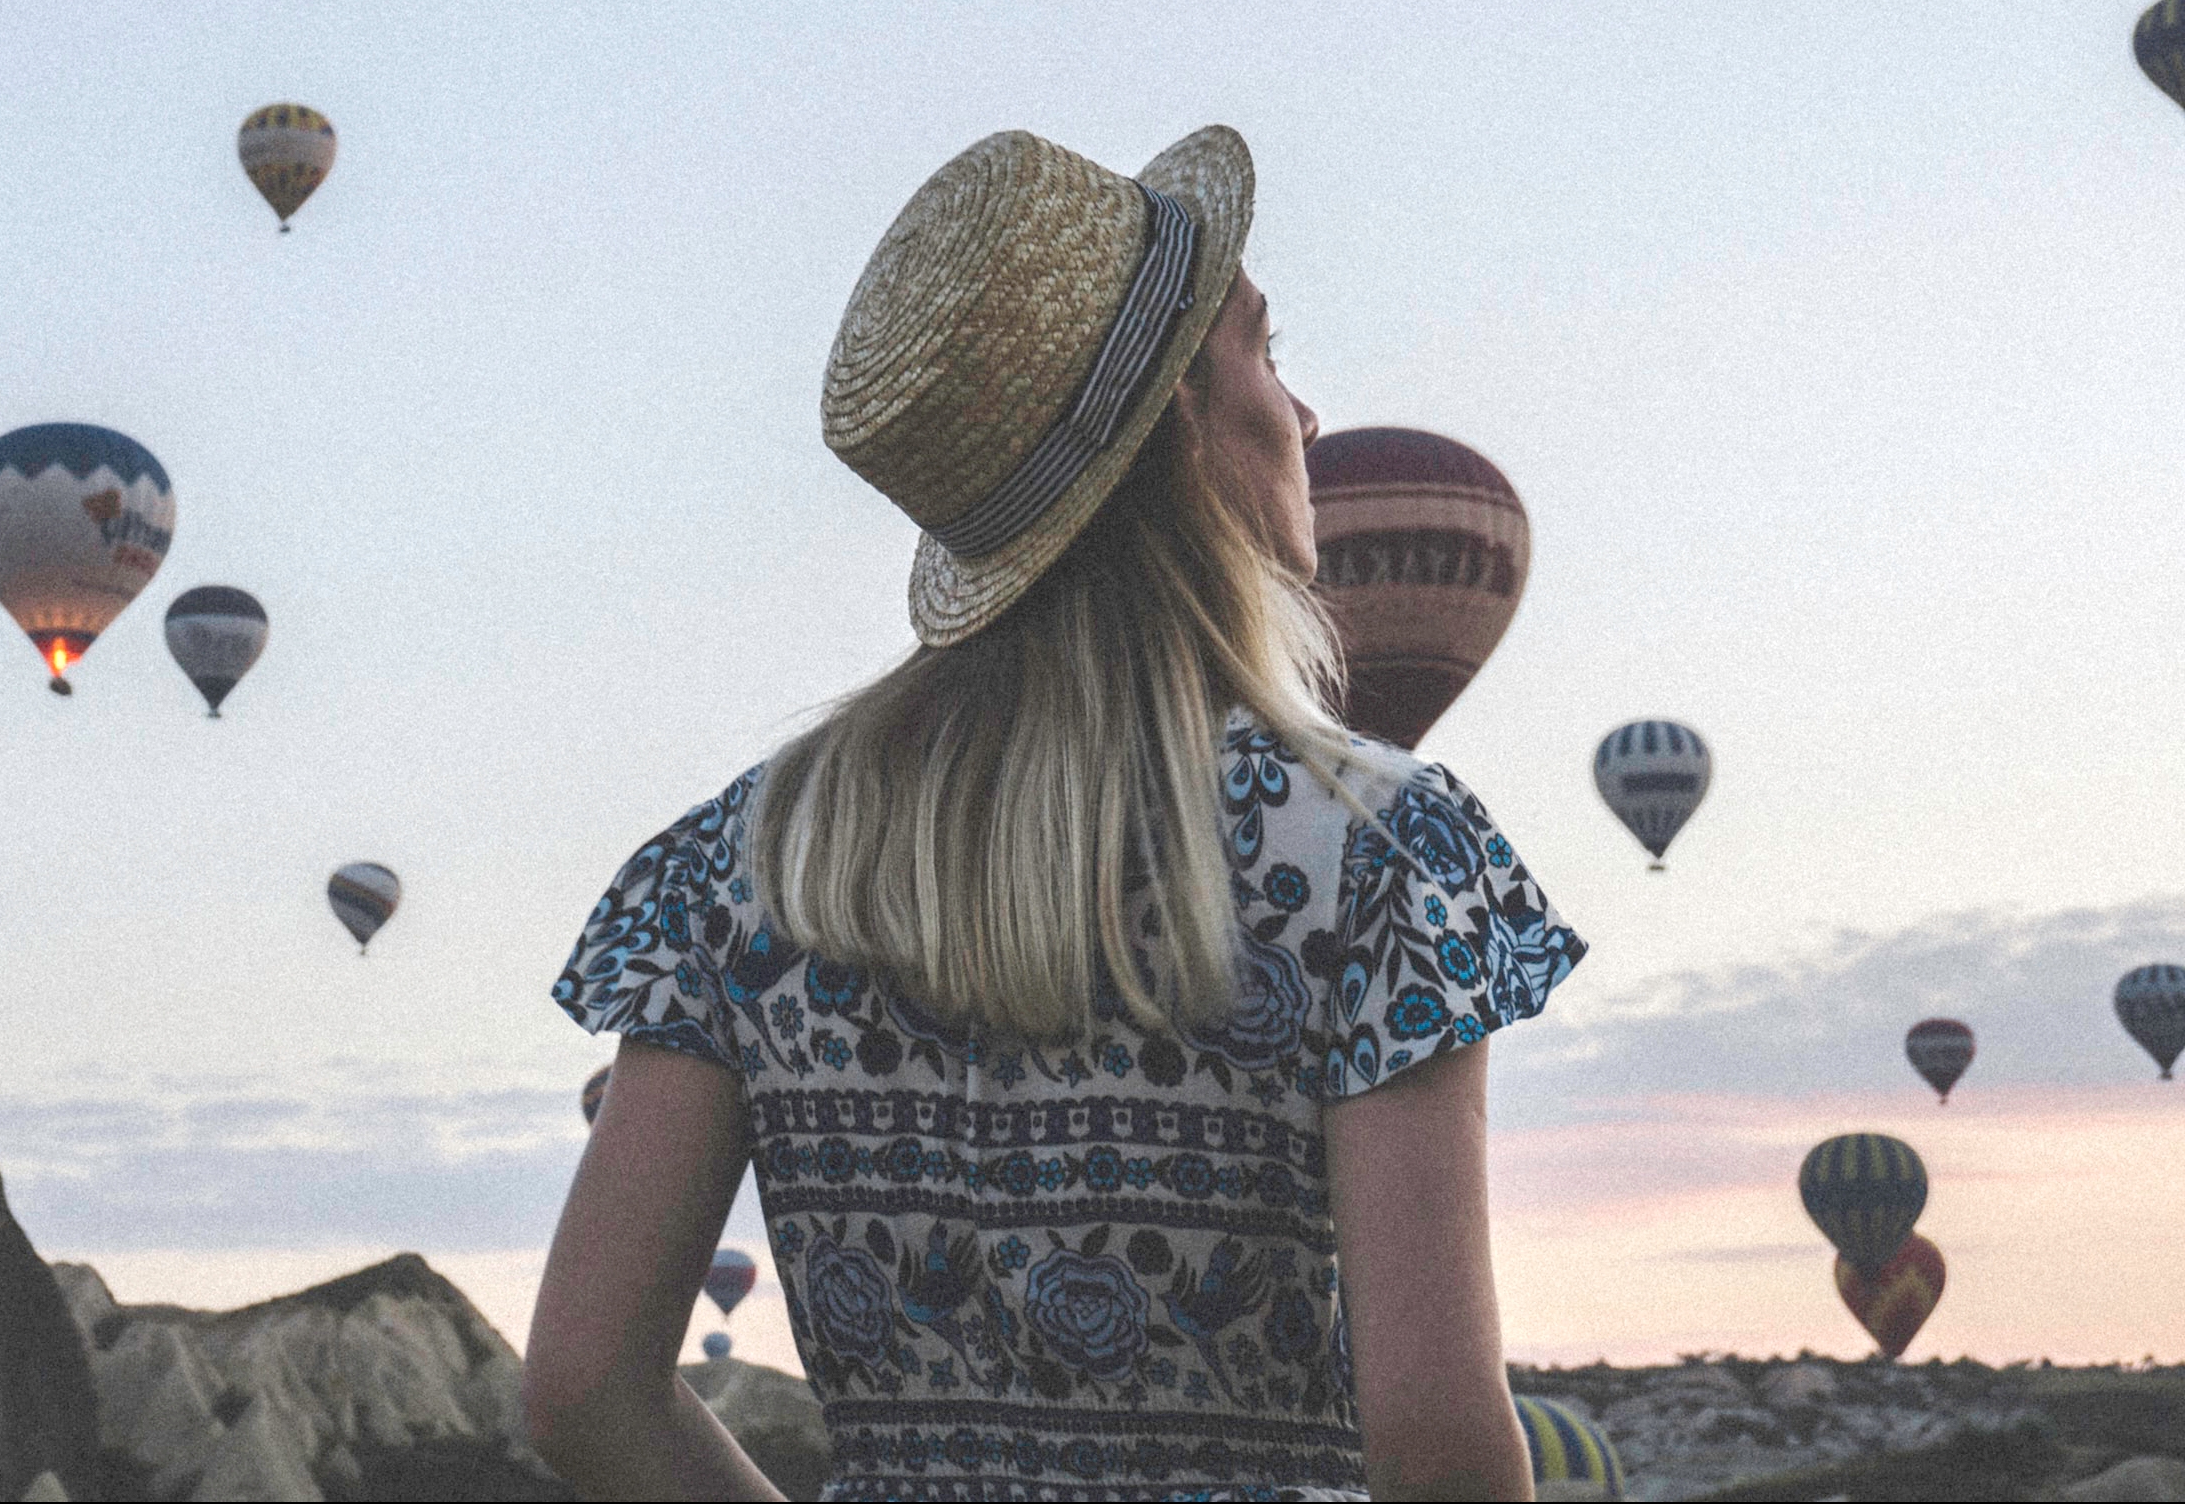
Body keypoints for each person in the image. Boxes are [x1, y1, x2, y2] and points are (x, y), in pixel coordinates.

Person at [527, 125, 1582, 1502]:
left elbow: (582, 1388)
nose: (1306, 416)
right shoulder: (1381, 852)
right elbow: (1437, 1441)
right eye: (1265, 353)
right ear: (1180, 426)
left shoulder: (740, 864)